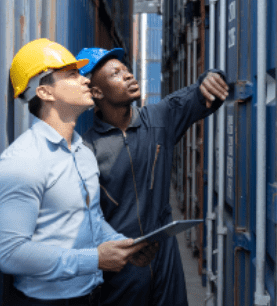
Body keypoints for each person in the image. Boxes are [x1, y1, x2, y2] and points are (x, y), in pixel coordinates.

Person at [0, 39, 156, 306]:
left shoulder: (82, 152)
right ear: (45, 92)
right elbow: (10, 254)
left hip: (90, 296)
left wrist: (121, 245)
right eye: (71, 74)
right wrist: (95, 259)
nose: (85, 81)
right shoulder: (23, 161)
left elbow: (91, 219)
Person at [75, 47, 229, 306]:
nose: (128, 76)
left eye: (126, 70)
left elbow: (200, 95)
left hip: (165, 256)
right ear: (97, 92)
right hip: (122, 265)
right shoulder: (87, 150)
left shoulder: (158, 118)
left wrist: (212, 77)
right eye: (115, 74)